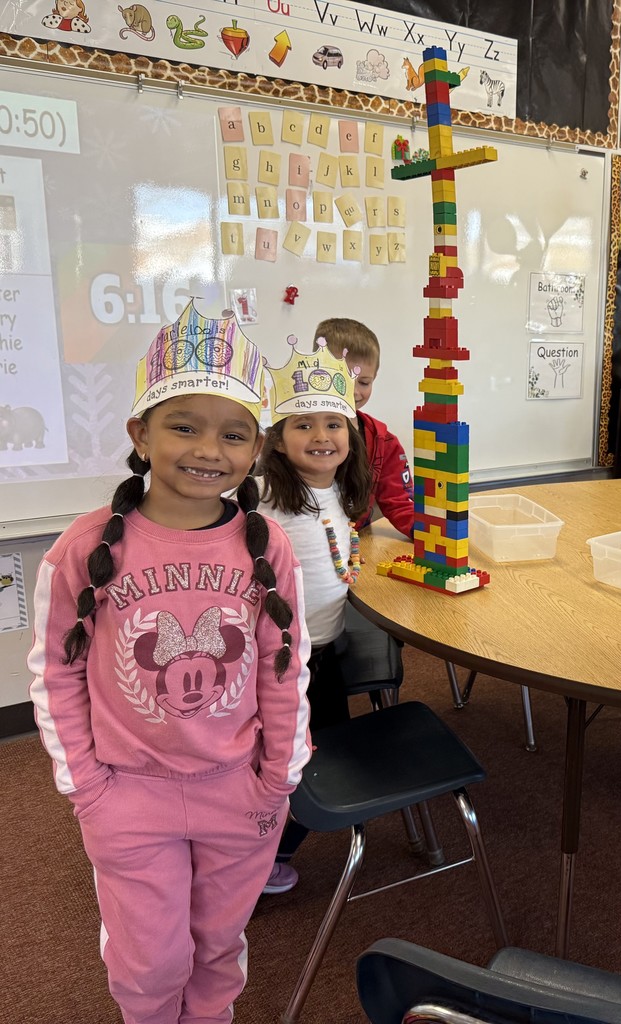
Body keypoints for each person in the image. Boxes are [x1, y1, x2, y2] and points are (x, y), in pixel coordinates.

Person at [27, 304, 312, 1024]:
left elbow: (286, 664)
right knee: (150, 960)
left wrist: (279, 776)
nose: (208, 448)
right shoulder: (86, 549)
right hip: (128, 795)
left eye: (234, 433)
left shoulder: (267, 543)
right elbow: (55, 672)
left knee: (218, 945)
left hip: (238, 793)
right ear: (140, 434)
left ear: (257, 450)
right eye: (184, 424)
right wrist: (87, 786)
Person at [257, 336, 373, 894]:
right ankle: (253, 863)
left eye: (334, 423)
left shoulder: (337, 494)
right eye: (304, 425)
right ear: (277, 442)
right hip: (283, 664)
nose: (321, 436)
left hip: (325, 653)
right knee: (290, 762)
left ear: (351, 435)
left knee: (320, 753)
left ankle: (267, 849)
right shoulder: (265, 500)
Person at [315, 317, 415, 539]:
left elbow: (399, 502)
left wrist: (431, 537)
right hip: (303, 548)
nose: (353, 392)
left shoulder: (384, 443)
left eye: (364, 382)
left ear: (374, 378)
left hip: (355, 548)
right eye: (342, 379)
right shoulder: (293, 435)